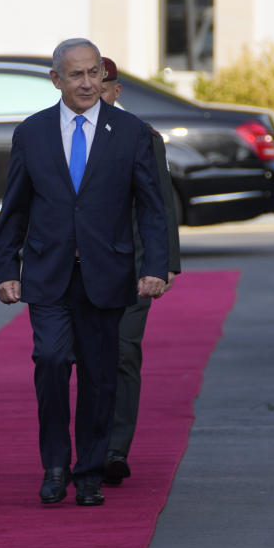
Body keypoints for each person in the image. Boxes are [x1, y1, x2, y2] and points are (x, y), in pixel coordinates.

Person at [0, 38, 168, 508]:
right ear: (56, 80)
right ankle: (55, 465)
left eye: (94, 73)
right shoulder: (31, 133)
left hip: (107, 274)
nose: (89, 82)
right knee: (50, 361)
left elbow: (153, 208)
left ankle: (89, 471)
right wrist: (6, 267)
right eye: (77, 75)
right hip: (48, 273)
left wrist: (155, 266)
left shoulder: (130, 132)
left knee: (99, 375)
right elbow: (15, 207)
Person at [96, 56, 181, 486]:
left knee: (123, 353)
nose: (96, 90)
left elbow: (161, 205)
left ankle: (114, 450)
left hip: (132, 268)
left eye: (104, 83)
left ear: (117, 90)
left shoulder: (143, 138)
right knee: (80, 358)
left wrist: (163, 265)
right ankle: (87, 444)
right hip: (80, 269)